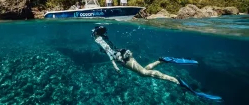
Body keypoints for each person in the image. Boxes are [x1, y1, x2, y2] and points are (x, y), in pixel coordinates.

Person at [91, 26, 223, 102]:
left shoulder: (99, 40)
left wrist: (114, 66)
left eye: (93, 34)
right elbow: (109, 48)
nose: (93, 36)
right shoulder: (103, 39)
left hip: (122, 58)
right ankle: (161, 60)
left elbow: (109, 53)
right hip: (124, 54)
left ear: (96, 34)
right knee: (143, 72)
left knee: (143, 73)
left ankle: (176, 81)